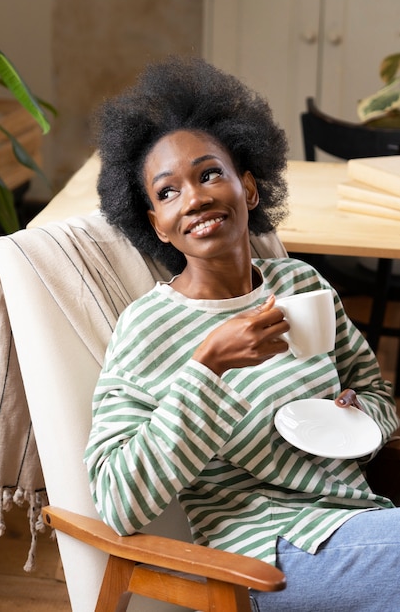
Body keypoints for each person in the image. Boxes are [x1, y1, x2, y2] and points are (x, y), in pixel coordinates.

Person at [84, 56, 400, 611]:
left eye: (210, 174)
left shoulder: (300, 283)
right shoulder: (147, 329)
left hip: (361, 518)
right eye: (168, 193)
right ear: (155, 223)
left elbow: (378, 398)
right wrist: (208, 368)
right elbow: (117, 498)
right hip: (266, 552)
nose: (196, 198)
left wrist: (358, 415)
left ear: (248, 188)